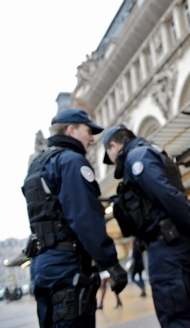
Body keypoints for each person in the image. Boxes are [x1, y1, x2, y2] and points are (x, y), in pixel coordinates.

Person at [22, 109, 127, 327]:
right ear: (71, 130)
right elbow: (84, 218)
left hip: (43, 266)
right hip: (67, 267)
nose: (91, 137)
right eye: (88, 131)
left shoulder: (38, 165)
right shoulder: (70, 161)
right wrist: (111, 263)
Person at [102, 125, 190, 328]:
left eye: (110, 155)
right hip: (174, 242)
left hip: (167, 246)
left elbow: (165, 193)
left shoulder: (137, 156)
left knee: (175, 316)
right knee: (185, 312)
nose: (113, 162)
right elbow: (174, 191)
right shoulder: (148, 151)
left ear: (113, 146)